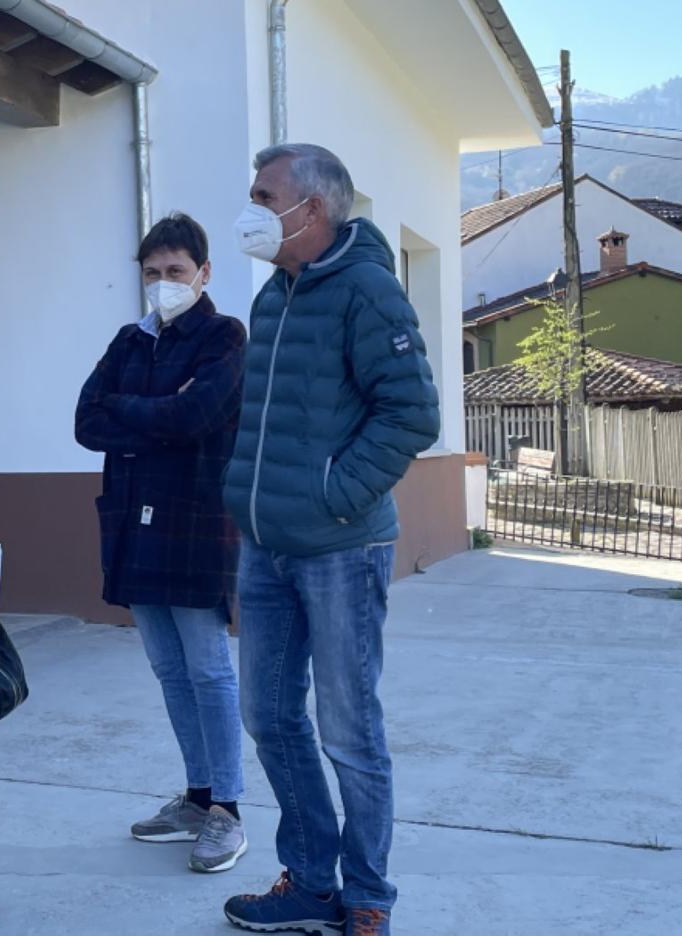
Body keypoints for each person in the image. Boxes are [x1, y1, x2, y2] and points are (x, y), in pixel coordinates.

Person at [220, 145, 440, 936]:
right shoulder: (274, 296)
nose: (249, 208)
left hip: (342, 549)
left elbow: (412, 414)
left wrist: (332, 497)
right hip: (265, 546)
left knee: (350, 731)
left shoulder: (369, 290)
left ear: (309, 209)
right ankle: (310, 880)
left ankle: (368, 895)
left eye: (262, 194)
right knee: (269, 717)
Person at [75, 213, 249, 874]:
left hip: (196, 520)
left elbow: (195, 414)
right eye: (151, 273)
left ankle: (227, 812)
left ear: (203, 274)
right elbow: (85, 421)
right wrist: (155, 414)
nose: (162, 283)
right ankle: (196, 796)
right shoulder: (129, 341)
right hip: (131, 521)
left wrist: (130, 411)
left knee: (207, 665)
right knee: (168, 668)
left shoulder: (224, 336)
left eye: (175, 271)